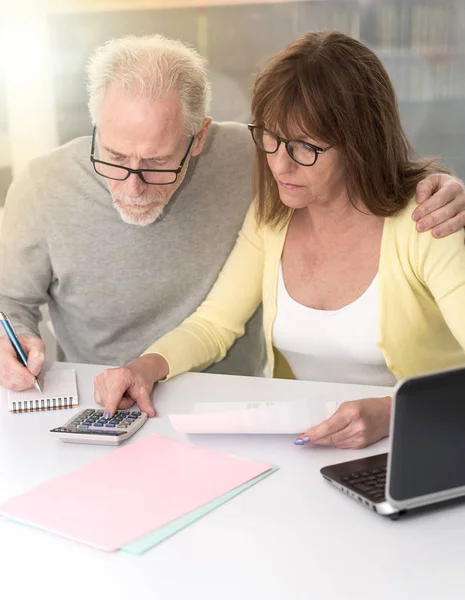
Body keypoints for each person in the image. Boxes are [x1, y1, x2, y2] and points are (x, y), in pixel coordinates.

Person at [96, 30, 465, 448]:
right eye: (269, 139)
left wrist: (394, 412)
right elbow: (215, 324)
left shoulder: (428, 223)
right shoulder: (272, 218)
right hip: (310, 450)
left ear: (361, 143)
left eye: (304, 148)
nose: (280, 166)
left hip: (426, 444)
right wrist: (144, 367)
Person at [0, 35, 267, 401]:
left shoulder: (254, 160)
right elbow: (9, 301)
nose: (132, 187)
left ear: (199, 137)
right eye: (115, 157)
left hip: (231, 400)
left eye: (157, 162)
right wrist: (11, 339)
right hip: (101, 404)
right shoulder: (42, 185)